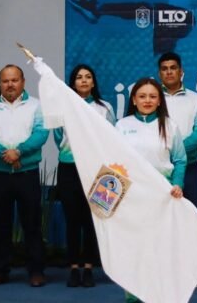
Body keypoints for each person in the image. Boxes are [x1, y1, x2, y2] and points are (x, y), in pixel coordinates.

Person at [115, 78, 186, 303]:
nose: (147, 100)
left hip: (162, 197)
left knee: (160, 248)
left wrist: (177, 184)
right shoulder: (121, 126)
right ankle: (133, 297)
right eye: (142, 96)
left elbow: (180, 160)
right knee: (134, 248)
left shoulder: (170, 126)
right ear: (134, 100)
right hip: (132, 197)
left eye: (153, 96)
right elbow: (114, 161)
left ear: (159, 101)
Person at [0, 65, 49, 287]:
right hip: (0, 174)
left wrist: (18, 152)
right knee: (1, 224)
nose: (10, 84)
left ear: (23, 81)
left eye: (14, 80)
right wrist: (6, 155)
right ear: (0, 83)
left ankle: (36, 271)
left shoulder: (36, 106)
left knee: (32, 224)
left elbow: (41, 133)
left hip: (27, 173)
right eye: (5, 81)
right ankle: (0, 271)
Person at [54, 64, 115, 288]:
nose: (84, 80)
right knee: (72, 220)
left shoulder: (104, 108)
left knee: (92, 220)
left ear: (93, 82)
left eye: (88, 77)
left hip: (97, 170)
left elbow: (111, 137)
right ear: (73, 82)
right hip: (69, 168)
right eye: (79, 77)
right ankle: (73, 268)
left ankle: (89, 268)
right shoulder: (62, 107)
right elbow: (59, 137)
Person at [156, 52, 197, 287]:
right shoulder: (152, 97)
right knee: (160, 221)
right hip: (158, 172)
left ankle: (194, 274)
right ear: (160, 73)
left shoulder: (196, 100)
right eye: (164, 68)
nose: (169, 72)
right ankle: (162, 273)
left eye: (173, 68)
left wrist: (174, 152)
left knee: (190, 220)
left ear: (181, 72)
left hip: (188, 168)